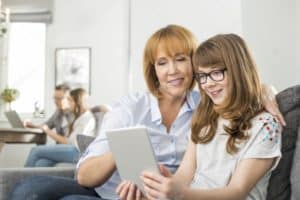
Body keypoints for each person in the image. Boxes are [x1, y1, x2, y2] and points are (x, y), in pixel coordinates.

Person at [9, 25, 284, 200]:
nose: (172, 71)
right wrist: (126, 154)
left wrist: (266, 91)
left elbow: (238, 84)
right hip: (112, 191)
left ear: (193, 62)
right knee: (27, 190)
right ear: (153, 69)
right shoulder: (131, 107)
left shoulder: (207, 105)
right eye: (162, 63)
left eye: (180, 59)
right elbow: (85, 177)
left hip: (168, 194)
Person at [128, 34, 282, 200]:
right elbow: (183, 177)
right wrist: (162, 186)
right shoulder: (204, 117)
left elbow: (236, 192)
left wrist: (178, 193)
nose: (207, 83)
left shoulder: (266, 126)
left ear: (238, 71)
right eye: (202, 76)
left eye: (216, 73)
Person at [24, 88, 96, 167]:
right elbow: (47, 124)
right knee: (41, 163)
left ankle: (20, 178)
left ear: (78, 102)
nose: (68, 103)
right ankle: (33, 179)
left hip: (77, 152)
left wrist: (48, 131)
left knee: (35, 150)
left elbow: (69, 142)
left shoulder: (86, 118)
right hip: (70, 148)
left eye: (70, 100)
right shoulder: (77, 116)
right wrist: (32, 125)